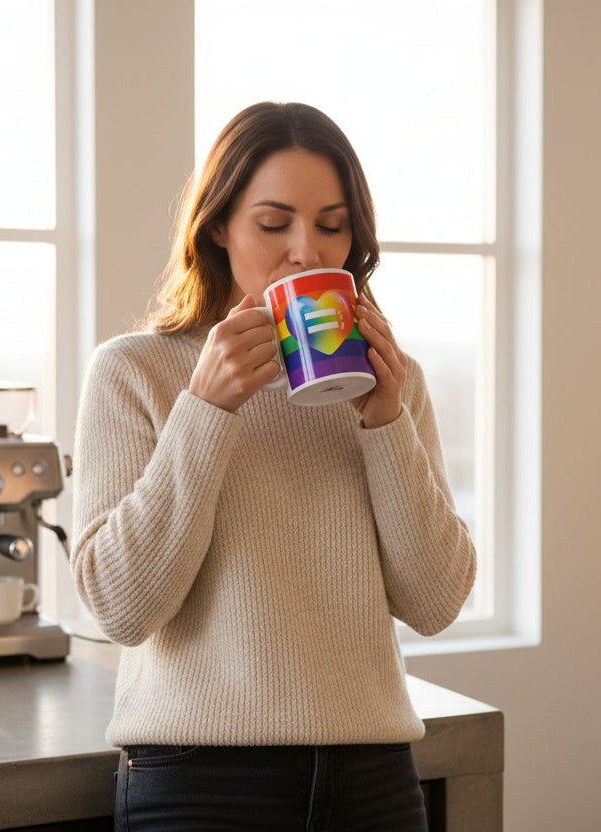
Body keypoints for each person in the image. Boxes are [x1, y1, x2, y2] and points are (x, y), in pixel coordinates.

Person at [70, 101, 476, 831]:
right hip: (201, 783)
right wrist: (207, 409)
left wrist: (384, 421)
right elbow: (123, 608)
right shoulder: (136, 372)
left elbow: (435, 600)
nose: (306, 252)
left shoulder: (394, 381)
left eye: (331, 224)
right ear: (218, 224)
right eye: (273, 222)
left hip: (375, 777)